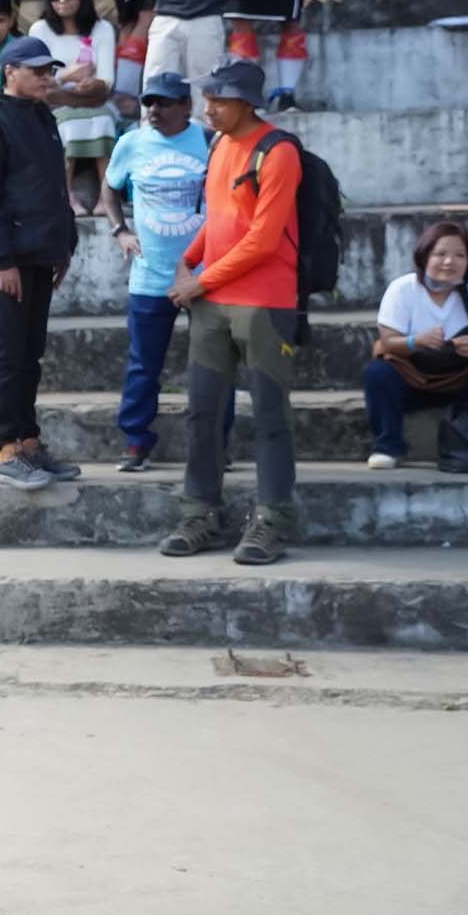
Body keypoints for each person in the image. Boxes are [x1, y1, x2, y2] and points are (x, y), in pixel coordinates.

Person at [164, 59, 302, 565]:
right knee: (202, 411)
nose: (209, 108)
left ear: (246, 102)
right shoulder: (221, 144)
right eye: (209, 99)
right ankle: (199, 511)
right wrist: (188, 260)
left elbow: (264, 239)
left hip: (264, 302)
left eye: (218, 100)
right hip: (212, 301)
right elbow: (220, 217)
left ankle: (273, 519)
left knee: (269, 414)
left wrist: (199, 280)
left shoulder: (279, 150)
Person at [0, 35, 81, 490]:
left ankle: (29, 441)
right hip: (8, 258)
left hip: (40, 254)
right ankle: (7, 446)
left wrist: (63, 245)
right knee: (9, 353)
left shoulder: (42, 116)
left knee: (31, 353)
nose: (48, 78)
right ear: (10, 71)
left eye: (50, 71)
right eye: (38, 71)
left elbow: (53, 186)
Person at [104, 73, 214, 472]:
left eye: (164, 103)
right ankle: (136, 440)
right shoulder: (131, 143)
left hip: (203, 276)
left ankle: (214, 442)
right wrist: (120, 230)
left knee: (212, 364)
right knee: (143, 364)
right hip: (151, 275)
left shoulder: (208, 141)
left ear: (186, 105)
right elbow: (110, 187)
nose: (154, 110)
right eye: (149, 102)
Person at [364, 221, 468, 473]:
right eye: (440, 254)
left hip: (464, 381)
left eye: (459, 255)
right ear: (424, 256)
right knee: (378, 373)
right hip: (414, 380)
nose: (449, 262)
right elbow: (388, 343)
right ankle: (388, 447)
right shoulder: (403, 289)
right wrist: (416, 342)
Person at [27, 0, 119, 216]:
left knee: (103, 121)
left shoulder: (102, 29)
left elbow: (107, 79)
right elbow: (37, 77)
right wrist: (67, 75)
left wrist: (90, 84)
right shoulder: (40, 30)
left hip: (92, 98)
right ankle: (66, 196)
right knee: (67, 124)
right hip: (53, 99)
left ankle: (105, 198)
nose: (63, 1)